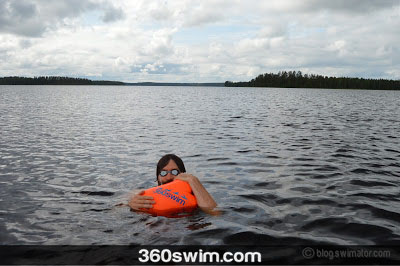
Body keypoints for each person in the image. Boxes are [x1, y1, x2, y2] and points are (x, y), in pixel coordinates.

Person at [128, 154, 217, 213]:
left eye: (174, 172)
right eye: (163, 173)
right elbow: (123, 201)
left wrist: (193, 180)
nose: (169, 177)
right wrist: (131, 204)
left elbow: (215, 213)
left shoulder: (198, 194)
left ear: (183, 174)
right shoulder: (146, 195)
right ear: (158, 177)